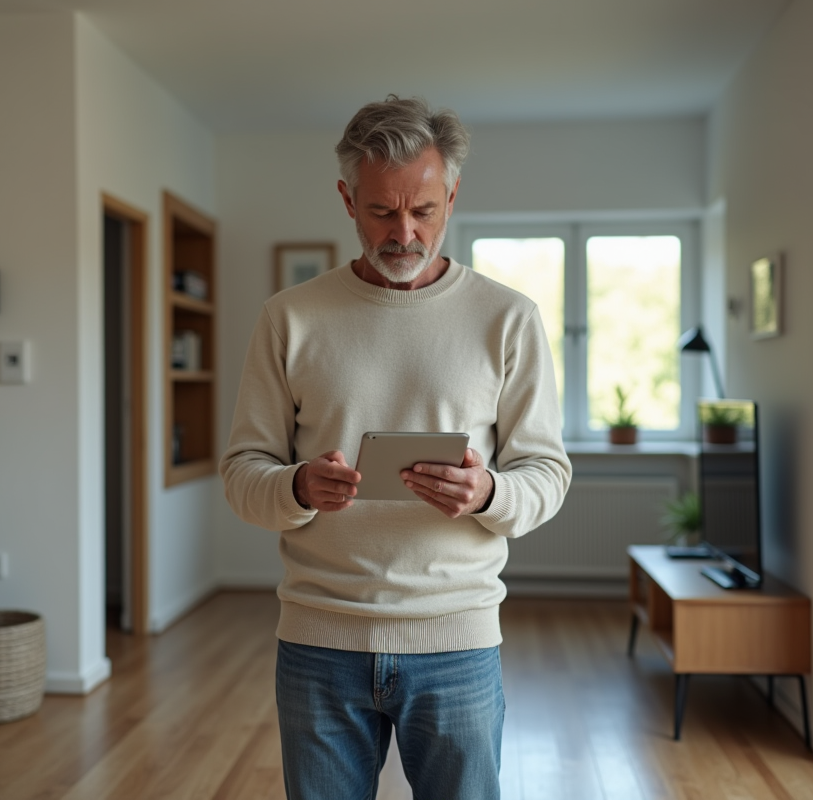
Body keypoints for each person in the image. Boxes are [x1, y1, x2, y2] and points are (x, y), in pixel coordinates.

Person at [219, 95, 571, 800]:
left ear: (453, 194)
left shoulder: (509, 319)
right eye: (382, 211)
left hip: (459, 643)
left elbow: (548, 473)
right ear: (347, 198)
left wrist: (491, 492)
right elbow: (241, 472)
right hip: (319, 643)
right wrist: (295, 487)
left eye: (424, 211)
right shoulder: (289, 319)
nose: (404, 232)